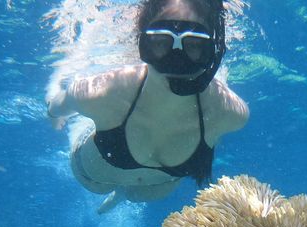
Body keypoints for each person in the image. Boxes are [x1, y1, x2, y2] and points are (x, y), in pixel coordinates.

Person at [46, 0, 249, 213]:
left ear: (213, 51)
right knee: (110, 188)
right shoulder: (104, 92)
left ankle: (121, 196)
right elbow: (58, 105)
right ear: (142, 43)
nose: (176, 60)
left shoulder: (228, 112)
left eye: (194, 44)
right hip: (94, 178)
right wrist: (52, 112)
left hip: (151, 188)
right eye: (161, 42)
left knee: (135, 195)